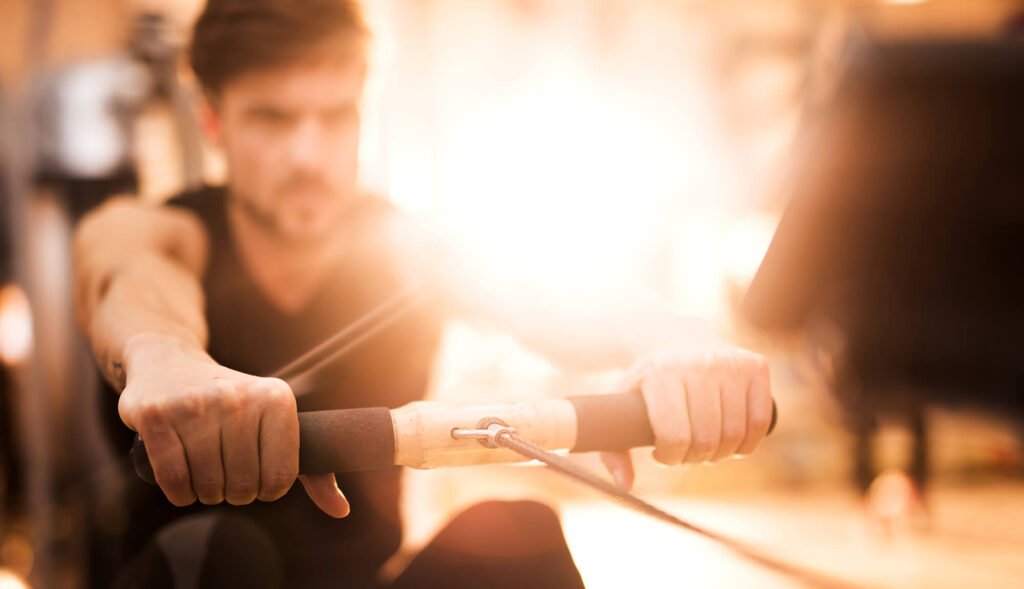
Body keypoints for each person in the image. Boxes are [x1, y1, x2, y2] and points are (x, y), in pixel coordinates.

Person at [72, 0, 774, 586]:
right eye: (273, 119)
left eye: (336, 115)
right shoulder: (163, 232)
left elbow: (551, 291)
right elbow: (129, 277)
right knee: (226, 551)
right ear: (214, 121)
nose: (309, 155)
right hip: (193, 572)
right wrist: (167, 358)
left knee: (517, 537)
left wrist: (674, 335)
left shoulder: (407, 248)